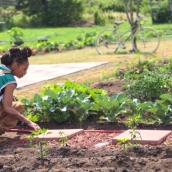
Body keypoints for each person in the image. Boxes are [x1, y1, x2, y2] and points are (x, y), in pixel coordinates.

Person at [0, 47, 40, 135]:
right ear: (15, 65)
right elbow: (7, 108)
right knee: (19, 106)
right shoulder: (9, 80)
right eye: (24, 69)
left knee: (12, 99)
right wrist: (29, 122)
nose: (25, 73)